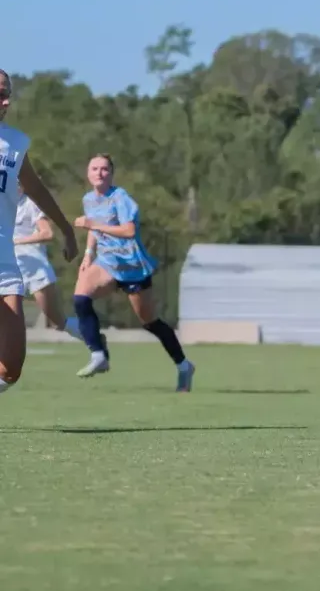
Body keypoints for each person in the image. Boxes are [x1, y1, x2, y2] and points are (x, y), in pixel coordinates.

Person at [72, 153, 196, 391]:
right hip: (107, 262)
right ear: (88, 174)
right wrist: (88, 254)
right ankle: (99, 354)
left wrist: (93, 225)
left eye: (104, 169)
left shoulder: (121, 198)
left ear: (111, 174)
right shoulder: (88, 199)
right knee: (80, 298)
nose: (99, 172)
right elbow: (93, 230)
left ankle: (183, 365)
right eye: (94, 168)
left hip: (133, 268)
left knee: (149, 322)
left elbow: (128, 231)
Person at [0, 69, 79, 397]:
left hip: (4, 258)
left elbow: (36, 189)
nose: (5, 101)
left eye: (7, 93)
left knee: (10, 367)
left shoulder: (15, 143)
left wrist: (66, 229)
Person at [14, 184, 82, 341]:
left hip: (35, 268)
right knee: (8, 318)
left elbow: (48, 233)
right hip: (11, 267)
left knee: (57, 320)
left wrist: (17, 241)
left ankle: (92, 336)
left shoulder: (31, 204)